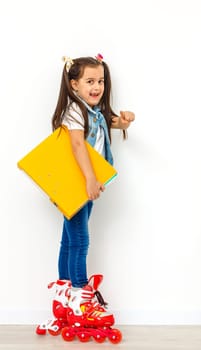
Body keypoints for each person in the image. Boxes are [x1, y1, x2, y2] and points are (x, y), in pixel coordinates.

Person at [36, 54, 135, 338]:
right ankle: (80, 294)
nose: (97, 87)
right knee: (79, 239)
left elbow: (118, 123)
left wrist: (128, 119)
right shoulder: (74, 111)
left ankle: (65, 290)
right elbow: (78, 145)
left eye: (101, 81)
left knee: (69, 239)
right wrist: (90, 178)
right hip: (76, 183)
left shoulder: (95, 111)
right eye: (90, 81)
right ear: (73, 84)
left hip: (86, 185)